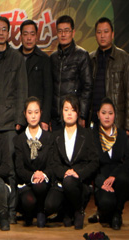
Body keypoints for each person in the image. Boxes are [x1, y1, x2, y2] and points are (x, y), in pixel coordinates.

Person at [0, 16, 27, 223]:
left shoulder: (17, 58)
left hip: (10, 123)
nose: (1, 33)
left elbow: (22, 90)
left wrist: (20, 118)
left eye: (4, 29)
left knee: (11, 169)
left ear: (9, 33)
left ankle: (11, 212)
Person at [44, 95, 98, 230]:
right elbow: (53, 162)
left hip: (79, 181)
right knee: (49, 205)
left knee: (70, 182)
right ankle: (67, 210)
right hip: (62, 179)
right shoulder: (56, 135)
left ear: (78, 113)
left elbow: (94, 161)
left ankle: (78, 210)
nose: (69, 113)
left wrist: (78, 173)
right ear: (61, 112)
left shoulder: (87, 134)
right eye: (66, 109)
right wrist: (65, 172)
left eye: (73, 110)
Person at [89, 98, 129, 230]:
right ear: (98, 114)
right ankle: (103, 213)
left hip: (118, 177)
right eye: (104, 113)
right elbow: (91, 164)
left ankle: (117, 214)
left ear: (115, 115)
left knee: (124, 179)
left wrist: (114, 176)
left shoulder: (121, 134)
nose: (107, 117)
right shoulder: (92, 135)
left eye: (110, 113)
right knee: (106, 202)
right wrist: (101, 182)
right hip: (102, 178)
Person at [90, 17, 129, 133]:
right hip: (94, 120)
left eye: (106, 32)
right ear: (95, 35)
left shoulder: (123, 58)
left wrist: (128, 126)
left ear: (112, 34)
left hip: (116, 121)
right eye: (99, 32)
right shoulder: (90, 58)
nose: (102, 36)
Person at [14, 97, 52, 228]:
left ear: (41, 113)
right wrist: (32, 176)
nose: (33, 116)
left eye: (36, 112)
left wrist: (43, 174)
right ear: (25, 114)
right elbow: (19, 168)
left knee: (40, 186)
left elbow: (52, 164)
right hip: (27, 182)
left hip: (43, 183)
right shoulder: (19, 140)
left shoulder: (48, 137)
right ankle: (28, 213)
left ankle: (41, 210)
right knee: (28, 201)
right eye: (30, 112)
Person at [50, 15, 92, 130]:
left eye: (66, 31)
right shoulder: (53, 57)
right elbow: (50, 88)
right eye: (60, 31)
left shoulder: (82, 55)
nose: (63, 34)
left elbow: (87, 87)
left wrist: (82, 115)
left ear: (73, 32)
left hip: (74, 115)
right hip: (56, 117)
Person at [19, 19, 52, 131]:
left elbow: (48, 91)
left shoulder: (44, 59)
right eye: (25, 34)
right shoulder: (14, 58)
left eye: (32, 34)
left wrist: (45, 118)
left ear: (36, 36)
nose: (29, 38)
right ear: (20, 36)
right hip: (19, 117)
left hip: (37, 116)